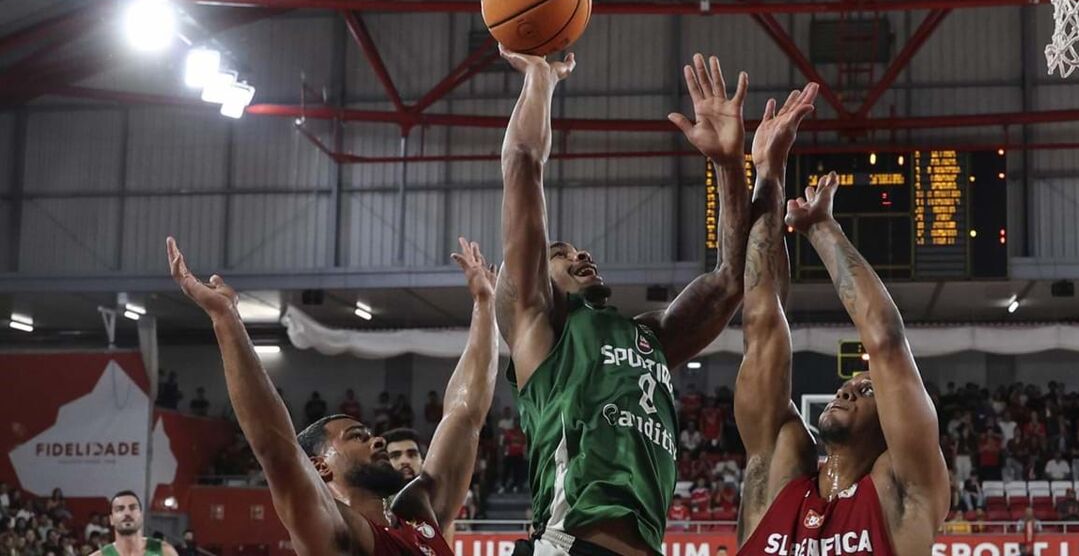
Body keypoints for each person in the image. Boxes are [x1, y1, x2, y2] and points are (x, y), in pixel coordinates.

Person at [495, 47, 755, 555]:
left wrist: (728, 165)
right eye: (560, 254)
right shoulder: (540, 331)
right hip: (567, 544)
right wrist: (541, 81)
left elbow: (731, 279)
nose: (579, 253)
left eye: (576, 249)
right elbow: (522, 164)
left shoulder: (647, 336)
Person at [167, 236, 498, 555]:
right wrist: (226, 319)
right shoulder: (336, 532)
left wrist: (485, 305)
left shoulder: (418, 511)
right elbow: (276, 449)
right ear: (320, 467)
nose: (379, 441)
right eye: (358, 436)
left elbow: (465, 414)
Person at [734, 93, 948, 553]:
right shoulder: (778, 475)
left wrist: (821, 229)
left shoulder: (903, 488)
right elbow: (760, 323)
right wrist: (768, 174)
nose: (847, 390)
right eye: (850, 386)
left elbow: (886, 343)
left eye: (867, 390)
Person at [89, 491, 178, 556]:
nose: (127, 513)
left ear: (141, 516)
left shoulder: (164, 551)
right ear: (111, 519)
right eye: (120, 509)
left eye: (132, 508)